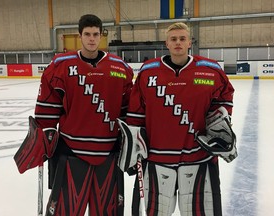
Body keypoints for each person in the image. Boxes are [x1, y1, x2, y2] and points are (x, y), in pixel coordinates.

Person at [14, 14, 133, 215]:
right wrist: (44, 137)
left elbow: (127, 109)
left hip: (108, 151)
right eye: (87, 34)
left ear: (101, 35)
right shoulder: (61, 66)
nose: (92, 39)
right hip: (71, 150)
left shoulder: (119, 68)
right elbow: (47, 108)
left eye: (96, 34)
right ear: (80, 36)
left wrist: (129, 142)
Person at [117, 22, 237, 215]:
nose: (178, 42)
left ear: (190, 42)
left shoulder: (210, 70)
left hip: (198, 157)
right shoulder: (148, 72)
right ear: (167, 43)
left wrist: (218, 124)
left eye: (182, 39)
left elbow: (224, 98)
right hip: (157, 158)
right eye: (174, 39)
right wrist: (134, 143)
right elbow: (136, 112)